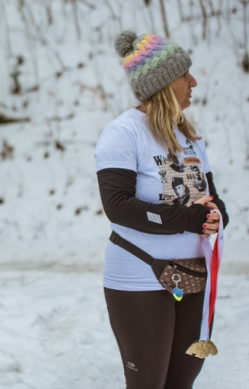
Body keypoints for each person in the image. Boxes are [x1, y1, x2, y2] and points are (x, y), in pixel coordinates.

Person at [95, 31, 229, 389]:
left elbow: (211, 197)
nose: (193, 82)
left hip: (195, 277)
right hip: (140, 277)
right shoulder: (122, 133)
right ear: (166, 83)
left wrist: (217, 216)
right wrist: (188, 219)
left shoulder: (188, 135)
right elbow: (118, 207)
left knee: (181, 382)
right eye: (186, 75)